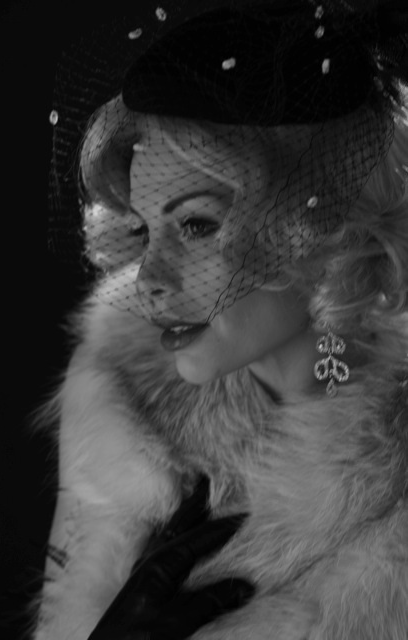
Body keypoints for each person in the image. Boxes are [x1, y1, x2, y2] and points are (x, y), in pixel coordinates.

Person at [34, 0, 408, 638]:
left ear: (324, 230)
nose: (148, 278)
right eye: (144, 228)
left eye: (197, 225)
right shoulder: (119, 400)